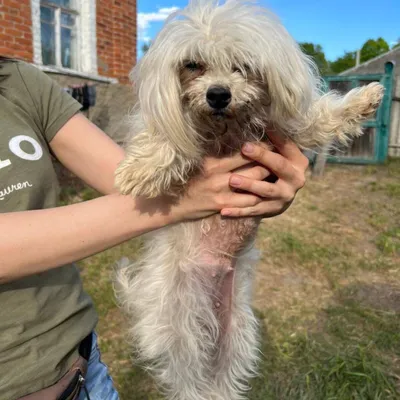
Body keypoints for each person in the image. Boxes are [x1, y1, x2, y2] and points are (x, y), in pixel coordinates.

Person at [0, 57, 309, 400]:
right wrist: (186, 201)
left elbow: (131, 180)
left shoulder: (17, 81)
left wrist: (250, 183)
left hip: (84, 370)